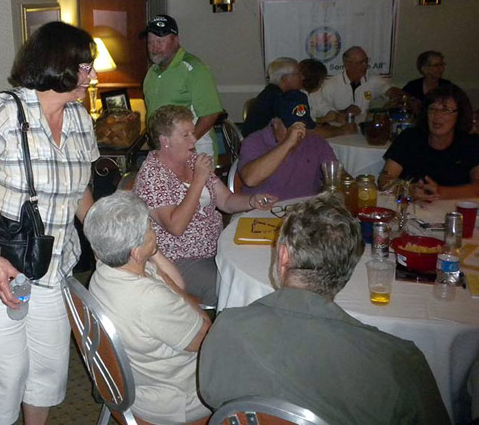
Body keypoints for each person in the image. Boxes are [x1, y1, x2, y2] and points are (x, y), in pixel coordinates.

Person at [0, 22, 99, 425]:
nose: (92, 75)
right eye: (85, 66)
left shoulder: (80, 118)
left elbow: (78, 190)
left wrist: (105, 238)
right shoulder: (3, 111)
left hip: (52, 265)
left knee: (48, 371)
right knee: (7, 373)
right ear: (59, 65)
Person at [199, 194, 449, 424]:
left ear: (283, 256)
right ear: (348, 269)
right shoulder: (399, 362)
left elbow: (214, 397)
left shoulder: (226, 327)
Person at [85, 191, 211, 425]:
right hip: (176, 399)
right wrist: (177, 292)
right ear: (135, 252)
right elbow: (206, 337)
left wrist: (151, 249)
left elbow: (177, 283)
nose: (155, 230)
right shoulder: (150, 298)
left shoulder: (105, 270)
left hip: (137, 382)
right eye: (150, 227)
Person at [134, 105, 276, 306]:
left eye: (193, 133)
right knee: (238, 292)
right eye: (186, 135)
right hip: (180, 260)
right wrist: (198, 180)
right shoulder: (152, 176)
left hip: (218, 246)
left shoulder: (193, 161)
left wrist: (251, 201)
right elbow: (175, 226)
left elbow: (226, 201)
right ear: (165, 141)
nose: (194, 139)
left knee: (261, 269)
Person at [379, 84, 479, 202]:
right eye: (433, 109)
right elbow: (384, 180)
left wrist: (440, 192)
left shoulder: (472, 143)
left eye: (445, 110)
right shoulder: (409, 137)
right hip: (414, 207)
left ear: (459, 115)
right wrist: (408, 190)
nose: (437, 116)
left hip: (457, 209)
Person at [142, 14, 223, 158]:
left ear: (176, 40)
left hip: (194, 151)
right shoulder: (152, 72)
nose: (154, 48)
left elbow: (210, 114)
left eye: (160, 41)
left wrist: (186, 144)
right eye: (150, 42)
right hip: (164, 151)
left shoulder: (194, 69)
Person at [238, 90, 338, 202]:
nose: (299, 132)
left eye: (303, 125)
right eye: (292, 127)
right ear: (275, 123)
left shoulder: (316, 143)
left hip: (305, 209)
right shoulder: (254, 141)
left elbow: (335, 176)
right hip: (264, 209)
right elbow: (250, 180)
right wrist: (288, 143)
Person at [320, 46, 402, 122]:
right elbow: (322, 114)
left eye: (366, 61)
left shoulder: (372, 78)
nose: (365, 65)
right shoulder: (331, 85)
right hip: (340, 129)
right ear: (347, 64)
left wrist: (395, 98)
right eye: (361, 62)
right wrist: (344, 111)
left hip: (365, 127)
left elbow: (389, 90)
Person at [242, 57, 303, 136]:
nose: (302, 77)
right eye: (298, 74)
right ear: (285, 78)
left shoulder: (269, 93)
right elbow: (299, 129)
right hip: (264, 142)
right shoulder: (281, 99)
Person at [300, 58, 357, 139]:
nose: (323, 82)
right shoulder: (296, 97)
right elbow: (306, 126)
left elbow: (325, 107)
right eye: (322, 80)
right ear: (318, 81)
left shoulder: (315, 92)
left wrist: (336, 115)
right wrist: (322, 119)